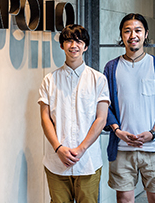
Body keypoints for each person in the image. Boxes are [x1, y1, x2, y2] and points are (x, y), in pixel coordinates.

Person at [103, 13, 155, 203]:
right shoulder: (112, 68)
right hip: (122, 148)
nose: (132, 35)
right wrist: (117, 131)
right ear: (121, 35)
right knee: (124, 200)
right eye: (127, 31)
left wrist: (153, 132)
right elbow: (105, 105)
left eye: (138, 30)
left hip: (154, 147)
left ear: (146, 34)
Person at [38, 24, 110, 203]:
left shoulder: (98, 79)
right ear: (62, 45)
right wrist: (58, 148)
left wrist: (81, 148)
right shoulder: (49, 80)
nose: (74, 45)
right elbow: (45, 118)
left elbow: (101, 119)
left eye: (79, 41)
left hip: (88, 161)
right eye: (69, 40)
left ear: (85, 46)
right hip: (56, 161)